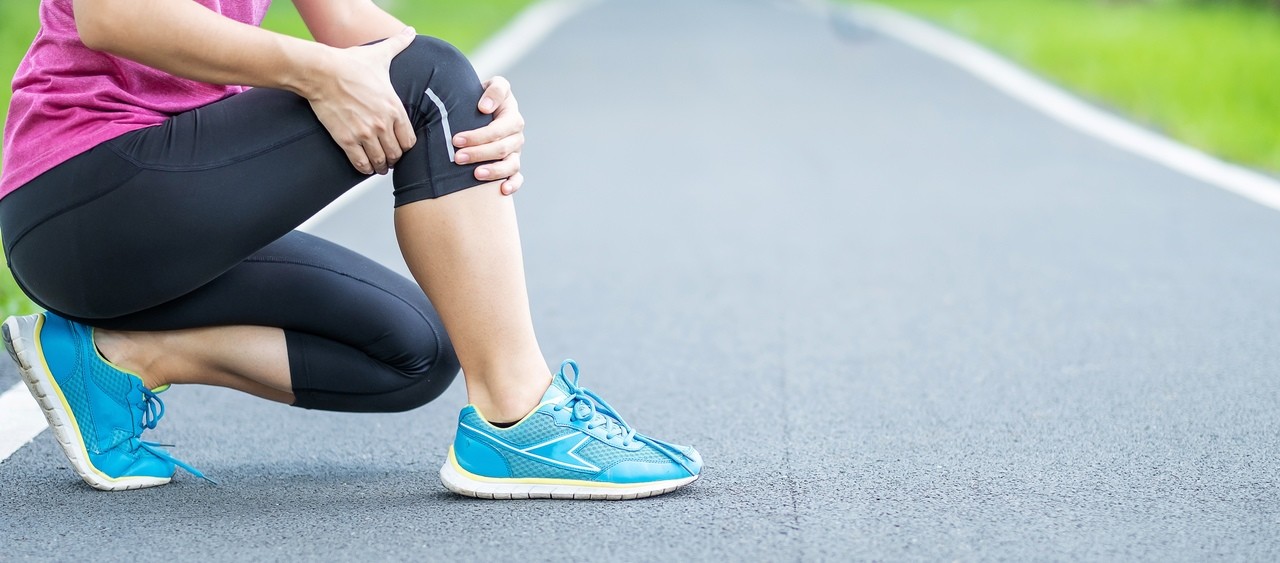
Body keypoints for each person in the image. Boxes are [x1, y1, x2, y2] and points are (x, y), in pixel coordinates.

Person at [0, 0, 700, 500]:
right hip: (83, 194)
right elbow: (116, 15)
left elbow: (360, 31)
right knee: (427, 85)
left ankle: (114, 359)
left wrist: (480, 104)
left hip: (169, 220)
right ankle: (520, 417)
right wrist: (326, 74)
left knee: (416, 353)